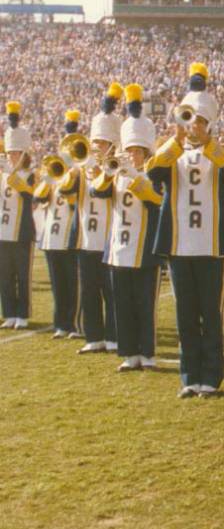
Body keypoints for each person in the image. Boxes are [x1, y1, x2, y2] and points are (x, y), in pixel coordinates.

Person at [147, 63, 224, 397]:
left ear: (210, 124)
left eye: (201, 121)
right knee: (185, 314)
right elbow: (152, 173)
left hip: (211, 246)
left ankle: (211, 376)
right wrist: (175, 140)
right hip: (179, 245)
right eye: (190, 120)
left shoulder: (219, 156)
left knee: (210, 315)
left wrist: (209, 141)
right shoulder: (171, 154)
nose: (194, 127)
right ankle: (189, 375)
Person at [91, 84, 163, 372]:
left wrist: (134, 175)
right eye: (129, 150)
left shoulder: (153, 173)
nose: (131, 155)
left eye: (136, 150)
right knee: (122, 304)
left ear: (145, 150)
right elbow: (98, 192)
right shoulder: (118, 171)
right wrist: (109, 173)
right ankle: (129, 352)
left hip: (144, 248)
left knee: (144, 304)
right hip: (118, 249)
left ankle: (147, 352)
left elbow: (157, 201)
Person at [72, 82, 123, 354]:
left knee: (111, 291)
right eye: (94, 142)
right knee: (89, 290)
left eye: (102, 143)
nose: (96, 147)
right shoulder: (82, 167)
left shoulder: (117, 169)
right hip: (86, 238)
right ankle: (94, 336)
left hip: (110, 238)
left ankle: (114, 335)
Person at [35, 110, 81, 339]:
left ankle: (72, 323)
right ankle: (60, 322)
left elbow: (74, 201)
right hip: (51, 235)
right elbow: (40, 198)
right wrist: (47, 180)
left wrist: (72, 176)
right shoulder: (54, 170)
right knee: (57, 284)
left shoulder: (78, 173)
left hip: (69, 234)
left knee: (72, 283)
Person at [0, 102, 36, 329]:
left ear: (24, 154)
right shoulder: (2, 174)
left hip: (22, 232)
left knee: (22, 276)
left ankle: (22, 314)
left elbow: (35, 197)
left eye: (16, 153)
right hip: (2, 232)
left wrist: (21, 185)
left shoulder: (31, 174)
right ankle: (9, 312)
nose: (12, 157)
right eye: (10, 153)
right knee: (4, 276)